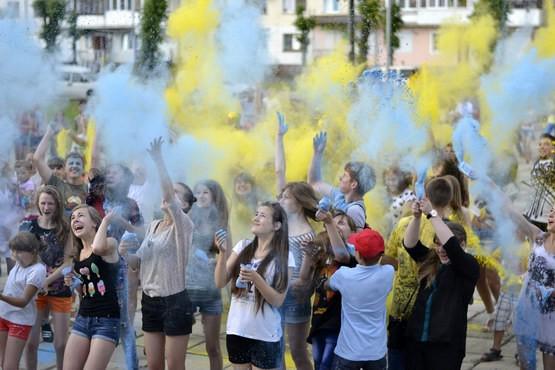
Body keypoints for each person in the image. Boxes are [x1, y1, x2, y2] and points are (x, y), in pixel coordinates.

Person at [136, 138, 195, 370]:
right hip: (149, 301)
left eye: (177, 193)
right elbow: (137, 261)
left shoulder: (184, 225)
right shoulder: (153, 226)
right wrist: (123, 253)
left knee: (174, 367)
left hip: (175, 302)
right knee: (153, 365)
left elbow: (169, 197)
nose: (168, 193)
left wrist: (159, 160)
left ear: (186, 206)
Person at [215, 202, 293, 370]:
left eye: (262, 215)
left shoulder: (285, 257)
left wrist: (257, 279)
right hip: (237, 330)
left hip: (265, 334)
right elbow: (220, 282)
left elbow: (278, 300)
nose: (255, 218)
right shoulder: (242, 246)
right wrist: (222, 253)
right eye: (256, 214)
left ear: (277, 225)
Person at [385, 176, 452, 370]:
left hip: (400, 307)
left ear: (426, 197)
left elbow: (389, 259)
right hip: (428, 314)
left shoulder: (403, 223)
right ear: (449, 200)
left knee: (396, 359)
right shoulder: (448, 232)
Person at [403, 199, 480, 370]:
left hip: (446, 346)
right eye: (437, 244)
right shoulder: (432, 260)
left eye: (443, 244)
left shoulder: (468, 266)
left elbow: (451, 246)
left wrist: (433, 215)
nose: (441, 249)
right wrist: (416, 218)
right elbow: (410, 245)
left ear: (463, 245)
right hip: (417, 340)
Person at [20, 186, 73, 370]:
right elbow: (21, 255)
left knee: (61, 344)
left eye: (50, 203)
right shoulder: (28, 224)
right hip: (34, 289)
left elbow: (68, 262)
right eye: (42, 202)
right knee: (31, 342)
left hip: (59, 289)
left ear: (57, 205)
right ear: (37, 203)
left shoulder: (65, 227)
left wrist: (47, 280)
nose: (46, 207)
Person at [62, 205, 121, 369]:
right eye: (73, 218)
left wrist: (106, 220)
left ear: (95, 223)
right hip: (83, 318)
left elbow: (97, 248)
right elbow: (84, 292)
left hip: (106, 320)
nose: (75, 220)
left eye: (80, 216)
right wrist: (74, 284)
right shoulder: (78, 254)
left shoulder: (110, 243)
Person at [327, 228, 394, 370]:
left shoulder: (344, 275)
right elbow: (390, 263)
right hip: (376, 353)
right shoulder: (388, 273)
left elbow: (328, 285)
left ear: (357, 254)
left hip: (348, 353)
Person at [298, 211, 355, 370]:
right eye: (333, 222)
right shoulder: (323, 255)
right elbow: (304, 277)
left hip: (337, 323)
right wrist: (308, 256)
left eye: (341, 223)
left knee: (327, 364)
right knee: (318, 362)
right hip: (318, 320)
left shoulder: (351, 255)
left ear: (353, 232)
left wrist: (329, 223)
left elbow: (341, 256)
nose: (336, 226)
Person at [186, 179, 229, 370]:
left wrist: (217, 259)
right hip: (187, 288)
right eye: (197, 192)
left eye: (205, 192)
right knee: (178, 341)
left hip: (211, 291)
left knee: (212, 346)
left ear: (214, 196)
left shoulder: (220, 221)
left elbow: (228, 255)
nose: (200, 196)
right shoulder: (187, 218)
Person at [308, 131, 376, 231]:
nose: (340, 178)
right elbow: (314, 183)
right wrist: (317, 153)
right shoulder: (339, 196)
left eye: (345, 176)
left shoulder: (355, 211)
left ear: (353, 184)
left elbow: (354, 243)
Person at [0, 232, 46, 370]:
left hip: (20, 321)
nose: (15, 255)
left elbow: (23, 301)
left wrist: (1, 297)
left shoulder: (37, 270)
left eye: (19, 251)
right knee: (1, 362)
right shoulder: (20, 264)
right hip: (3, 315)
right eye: (14, 251)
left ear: (33, 252)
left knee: (9, 366)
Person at [33, 125, 88, 214]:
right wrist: (49, 133)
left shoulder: (89, 188)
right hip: (60, 227)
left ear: (83, 169)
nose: (74, 166)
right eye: (71, 163)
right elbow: (37, 159)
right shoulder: (57, 184)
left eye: (78, 164)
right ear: (65, 168)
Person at [524, 133, 555, 231]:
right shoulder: (536, 164)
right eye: (540, 144)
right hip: (530, 217)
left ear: (553, 147)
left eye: (546, 144)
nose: (542, 147)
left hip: (546, 221)